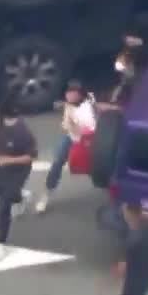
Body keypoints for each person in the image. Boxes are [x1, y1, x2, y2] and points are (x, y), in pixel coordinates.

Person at [36, 81, 95, 213]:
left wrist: (73, 125)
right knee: (57, 163)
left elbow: (90, 128)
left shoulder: (85, 109)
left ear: (79, 95)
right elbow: (65, 125)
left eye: (73, 93)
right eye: (68, 93)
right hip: (71, 138)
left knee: (92, 166)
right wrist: (67, 123)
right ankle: (46, 193)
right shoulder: (69, 105)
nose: (69, 96)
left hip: (85, 142)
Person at [0, 100, 37, 255]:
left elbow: (30, 157)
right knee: (0, 193)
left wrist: (9, 160)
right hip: (0, 169)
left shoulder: (23, 133)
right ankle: (20, 196)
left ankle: (0, 243)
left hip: (18, 170)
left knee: (3, 205)